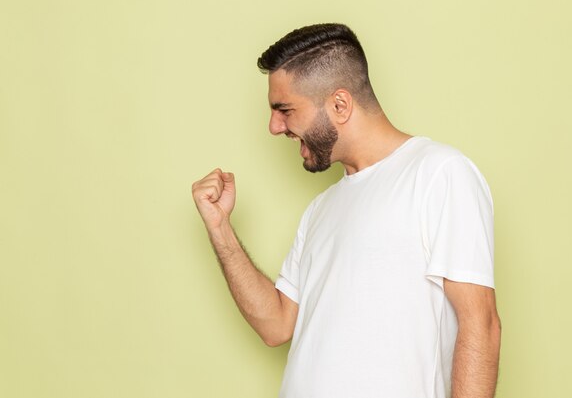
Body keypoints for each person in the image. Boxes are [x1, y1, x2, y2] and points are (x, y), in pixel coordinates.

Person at [191, 23, 501, 398]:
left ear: (340, 104)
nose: (274, 127)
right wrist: (220, 227)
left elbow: (479, 323)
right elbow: (276, 325)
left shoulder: (439, 173)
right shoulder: (321, 209)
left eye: (284, 110)